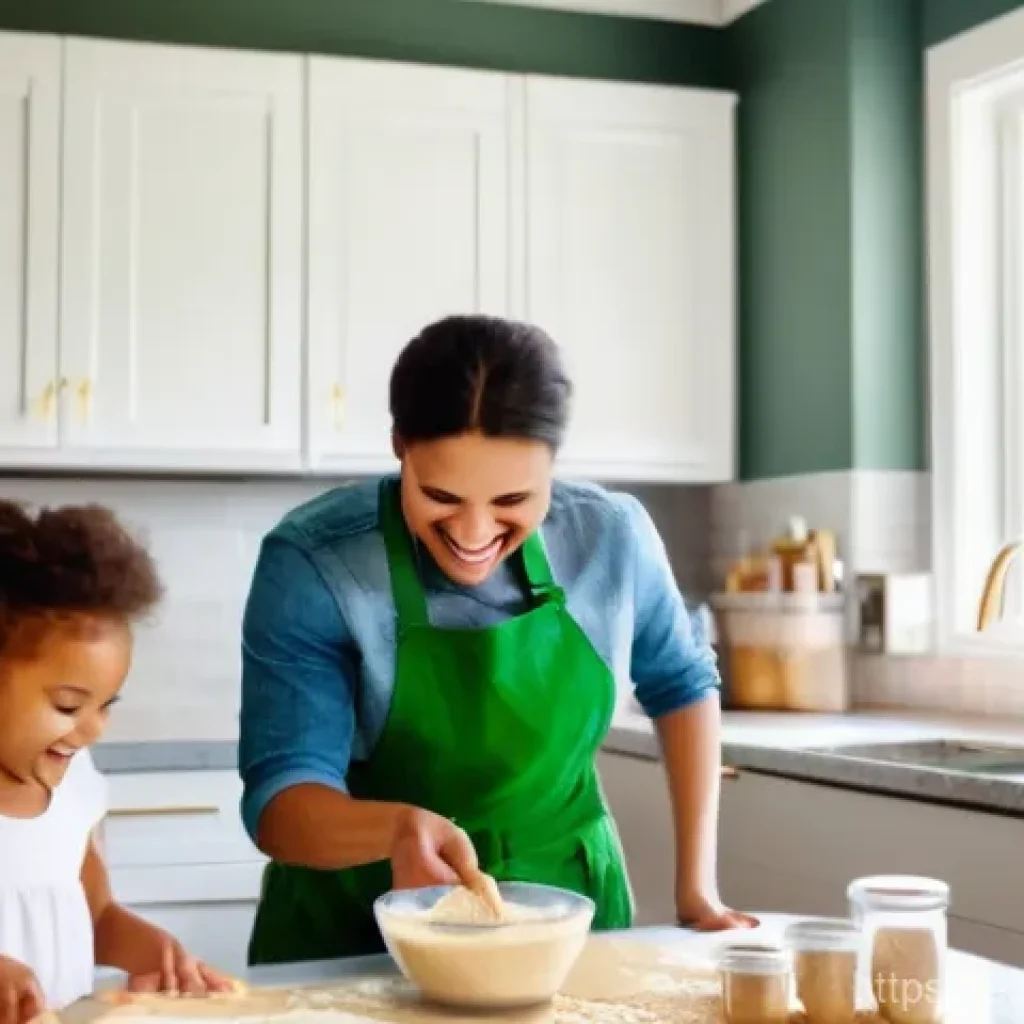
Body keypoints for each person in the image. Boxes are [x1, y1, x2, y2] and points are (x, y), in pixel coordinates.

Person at [239, 315, 756, 965]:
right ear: (399, 446)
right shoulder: (317, 562)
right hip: (355, 936)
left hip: (566, 928)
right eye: (440, 496)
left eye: (513, 498)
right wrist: (397, 829)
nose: (475, 532)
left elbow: (682, 684)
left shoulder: (611, 539)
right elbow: (280, 804)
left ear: (553, 466)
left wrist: (697, 889)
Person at [0, 501, 233, 1023]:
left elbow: (96, 915)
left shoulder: (76, 788)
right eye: (67, 705)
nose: (94, 728)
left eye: (106, 704)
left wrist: (151, 948)